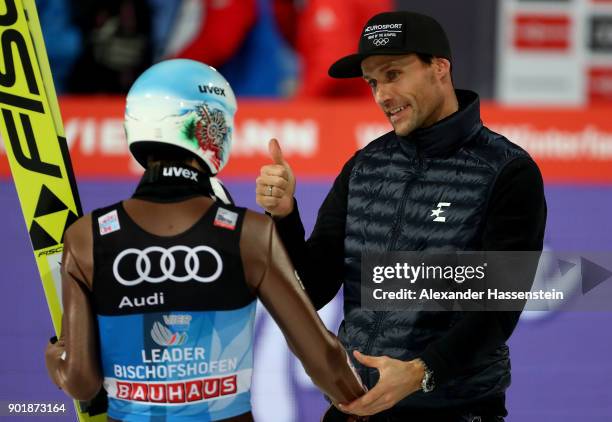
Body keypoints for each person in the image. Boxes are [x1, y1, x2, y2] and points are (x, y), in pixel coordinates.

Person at [256, 11, 547, 422]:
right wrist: (284, 216)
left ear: (439, 68)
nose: (381, 95)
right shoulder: (364, 166)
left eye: (393, 74)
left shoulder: (507, 171)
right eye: (373, 82)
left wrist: (420, 373)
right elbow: (313, 288)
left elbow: (497, 311)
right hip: (356, 408)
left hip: (454, 412)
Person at [45, 59, 367, 422]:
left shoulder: (86, 235)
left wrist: (55, 358)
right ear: (206, 127)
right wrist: (363, 408)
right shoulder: (249, 234)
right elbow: (322, 357)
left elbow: (81, 383)